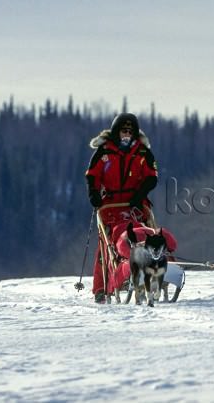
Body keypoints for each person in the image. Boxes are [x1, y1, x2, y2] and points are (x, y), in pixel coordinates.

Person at [85, 113, 158, 303]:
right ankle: (102, 287)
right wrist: (93, 194)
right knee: (107, 244)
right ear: (116, 131)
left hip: (135, 203)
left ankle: (160, 267)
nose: (127, 134)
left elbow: (152, 177)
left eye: (130, 131)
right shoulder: (104, 152)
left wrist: (140, 195)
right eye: (123, 131)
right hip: (110, 205)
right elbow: (92, 176)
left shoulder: (142, 152)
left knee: (149, 232)